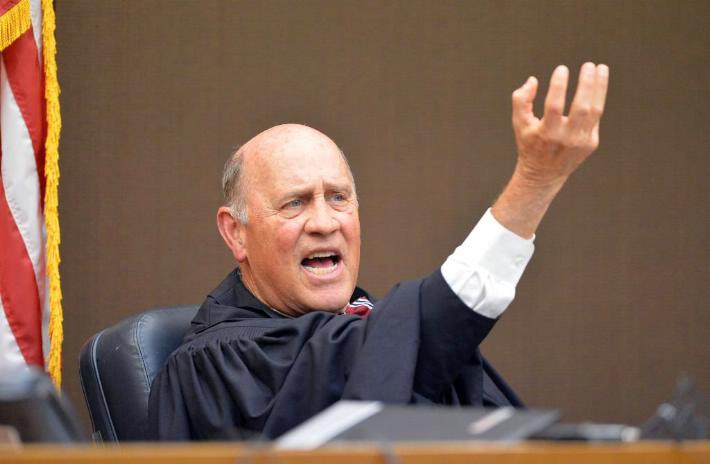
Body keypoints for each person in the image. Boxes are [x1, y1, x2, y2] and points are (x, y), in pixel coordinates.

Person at [149, 63, 610, 440]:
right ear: (236, 233)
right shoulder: (223, 364)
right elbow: (414, 336)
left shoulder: (363, 320)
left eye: (338, 197)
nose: (325, 222)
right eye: (294, 203)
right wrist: (533, 182)